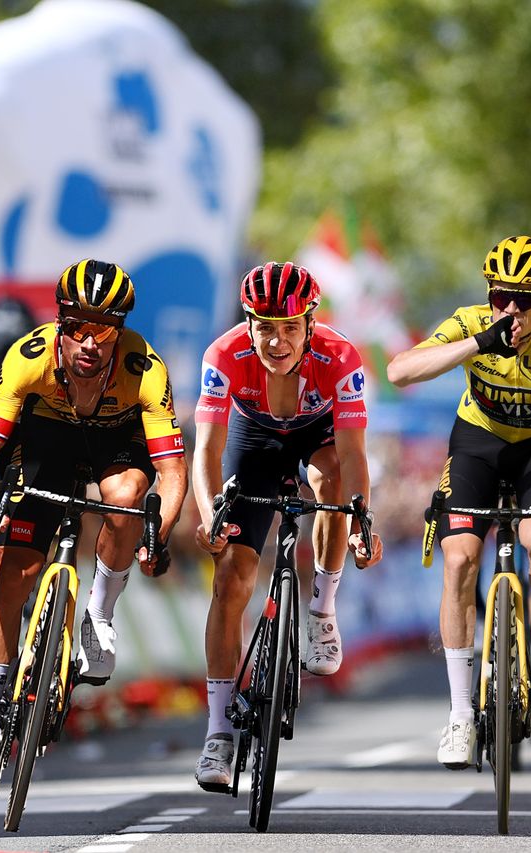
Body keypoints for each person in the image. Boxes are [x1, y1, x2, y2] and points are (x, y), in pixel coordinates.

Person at [0, 259, 187, 791]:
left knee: (127, 497)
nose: (88, 342)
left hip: (116, 443)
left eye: (101, 329)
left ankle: (99, 614)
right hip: (44, 443)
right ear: (60, 323)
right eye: (77, 327)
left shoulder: (144, 368)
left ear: (118, 331)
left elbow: (172, 471)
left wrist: (160, 533)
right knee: (12, 576)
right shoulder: (26, 359)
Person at [386, 235, 531, 769]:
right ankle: (459, 714)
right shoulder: (472, 320)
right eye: (501, 295)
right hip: (478, 442)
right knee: (458, 560)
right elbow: (400, 371)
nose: (510, 309)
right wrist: (480, 344)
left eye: (523, 299)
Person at [192, 261, 384, 792]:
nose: (277, 342)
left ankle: (322, 609)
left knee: (330, 484)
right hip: (251, 443)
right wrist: (211, 515)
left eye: (290, 328)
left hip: (319, 436)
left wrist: (362, 518)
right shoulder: (222, 354)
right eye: (264, 327)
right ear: (248, 323)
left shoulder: (341, 357)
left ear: (310, 324)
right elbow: (205, 449)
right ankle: (218, 732)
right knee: (231, 581)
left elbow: (353, 452)